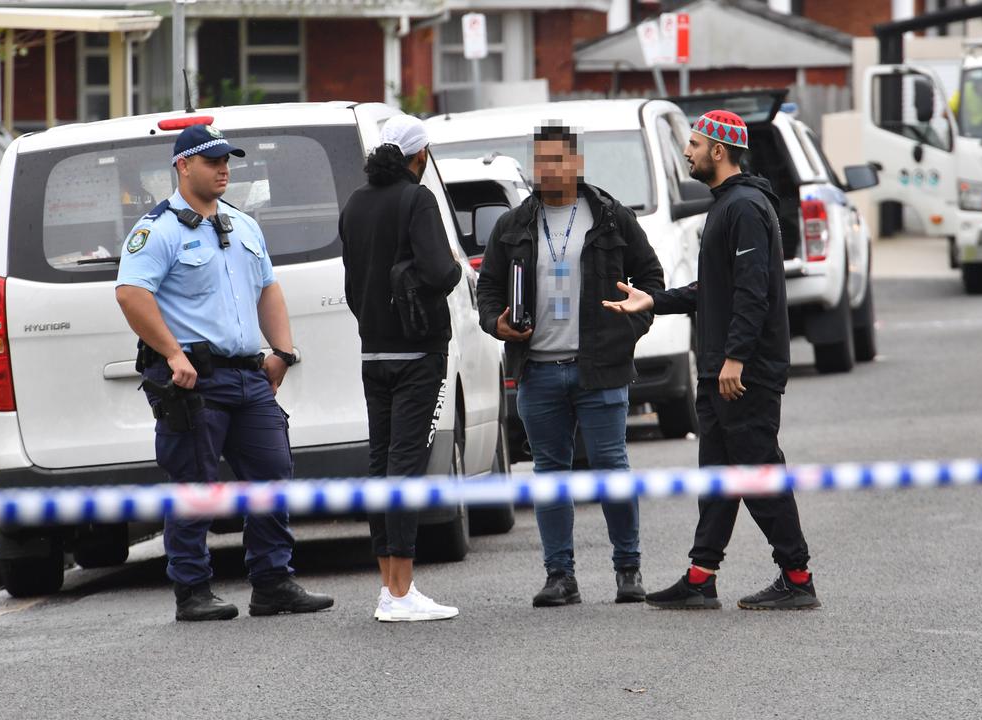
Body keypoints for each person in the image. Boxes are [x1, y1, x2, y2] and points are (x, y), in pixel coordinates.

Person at [603, 110, 819, 611]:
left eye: (695, 144)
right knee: (718, 476)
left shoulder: (745, 207)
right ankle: (701, 578)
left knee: (758, 473)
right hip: (721, 369)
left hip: (744, 374)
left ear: (718, 151)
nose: (687, 152)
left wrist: (736, 358)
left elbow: (752, 291)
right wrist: (653, 300)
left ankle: (798, 577)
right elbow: (715, 289)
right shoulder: (726, 205)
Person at [116, 124, 333, 622]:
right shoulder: (159, 229)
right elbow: (131, 294)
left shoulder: (243, 225)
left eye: (226, 161)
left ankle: (273, 583)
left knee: (272, 473)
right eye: (211, 161)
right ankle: (192, 589)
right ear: (182, 166)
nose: (223, 170)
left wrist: (283, 351)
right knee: (195, 484)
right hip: (195, 381)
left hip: (248, 377)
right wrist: (173, 354)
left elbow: (268, 288)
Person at [476, 122, 665, 607]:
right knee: (550, 473)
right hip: (538, 370)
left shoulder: (611, 217)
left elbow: (651, 280)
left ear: (577, 163)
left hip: (599, 368)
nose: (549, 169)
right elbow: (488, 289)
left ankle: (628, 569)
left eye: (558, 160)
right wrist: (498, 324)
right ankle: (560, 575)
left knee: (611, 467)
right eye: (541, 161)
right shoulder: (513, 225)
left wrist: (627, 331)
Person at [339, 115, 462, 623]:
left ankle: (389, 587)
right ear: (420, 156)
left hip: (373, 350)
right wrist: (453, 266)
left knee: (381, 463)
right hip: (418, 352)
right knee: (407, 465)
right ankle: (402, 590)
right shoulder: (418, 199)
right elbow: (441, 272)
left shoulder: (355, 203)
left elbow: (352, 284)